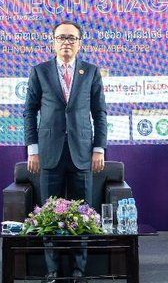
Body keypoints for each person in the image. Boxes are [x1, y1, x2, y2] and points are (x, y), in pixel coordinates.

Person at [23, 20, 107, 283]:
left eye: (72, 38)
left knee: (83, 212)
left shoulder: (91, 71)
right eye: (61, 38)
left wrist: (99, 148)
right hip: (49, 153)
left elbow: (100, 113)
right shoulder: (40, 71)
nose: (66, 42)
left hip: (82, 152)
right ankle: (52, 269)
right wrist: (33, 150)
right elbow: (29, 112)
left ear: (80, 43)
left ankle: (79, 270)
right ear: (53, 42)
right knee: (50, 212)